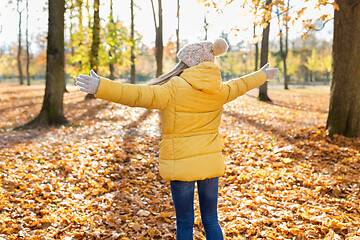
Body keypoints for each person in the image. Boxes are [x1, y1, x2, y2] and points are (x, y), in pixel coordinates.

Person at [75, 38, 279, 240]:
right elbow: (241, 84)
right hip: (209, 164)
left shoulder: (173, 88)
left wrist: (101, 87)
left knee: (184, 223)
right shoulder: (219, 89)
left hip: (181, 166)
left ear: (187, 62)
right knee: (211, 219)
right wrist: (262, 75)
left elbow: (137, 94)